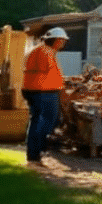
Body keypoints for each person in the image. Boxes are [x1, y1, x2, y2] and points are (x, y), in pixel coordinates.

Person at [22, 27, 68, 165]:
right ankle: (36, 152)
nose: (63, 44)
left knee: (39, 120)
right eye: (63, 41)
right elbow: (45, 69)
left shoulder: (39, 49)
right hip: (43, 91)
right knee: (47, 121)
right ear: (57, 40)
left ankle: (36, 151)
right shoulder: (46, 52)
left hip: (34, 89)